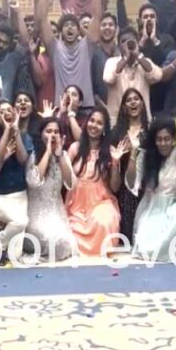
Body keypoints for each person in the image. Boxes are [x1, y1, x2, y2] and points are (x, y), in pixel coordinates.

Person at [126, 117, 176, 264]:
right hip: (151, 208)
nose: (163, 143)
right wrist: (133, 152)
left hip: (174, 204)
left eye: (167, 139)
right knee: (146, 249)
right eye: (159, 139)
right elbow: (131, 182)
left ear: (174, 139)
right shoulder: (146, 155)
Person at [37, 0, 100, 112]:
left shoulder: (87, 46)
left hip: (86, 108)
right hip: (62, 108)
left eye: (73, 25)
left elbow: (97, 17)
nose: (70, 28)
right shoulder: (55, 47)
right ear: (60, 32)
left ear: (79, 30)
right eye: (66, 25)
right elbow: (42, 19)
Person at [65, 108, 121, 258]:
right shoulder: (74, 148)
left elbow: (115, 187)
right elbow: (65, 179)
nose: (94, 125)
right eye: (92, 121)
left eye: (99, 123)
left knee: (103, 222)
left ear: (104, 128)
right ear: (86, 123)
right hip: (76, 207)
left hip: (101, 203)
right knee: (69, 235)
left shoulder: (111, 151)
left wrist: (115, 163)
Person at [24, 118, 77, 262]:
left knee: (67, 243)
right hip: (36, 214)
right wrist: (47, 153)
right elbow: (34, 181)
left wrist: (59, 156)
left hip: (56, 212)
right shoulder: (33, 155)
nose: (52, 135)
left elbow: (71, 184)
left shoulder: (63, 155)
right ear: (41, 134)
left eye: (56, 132)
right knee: (53, 242)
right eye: (48, 131)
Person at [0, 100, 33, 262]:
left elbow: (22, 159)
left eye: (9, 110)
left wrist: (15, 130)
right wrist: (7, 131)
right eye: (1, 111)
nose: (6, 113)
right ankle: (0, 241)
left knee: (16, 255)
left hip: (20, 195)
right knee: (21, 222)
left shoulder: (24, 136)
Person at [110, 89, 149, 242]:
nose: (133, 102)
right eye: (129, 100)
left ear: (142, 104)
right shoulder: (117, 133)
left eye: (136, 99)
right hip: (124, 189)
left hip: (147, 188)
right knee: (127, 238)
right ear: (124, 107)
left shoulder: (150, 130)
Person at [103, 25, 163, 125]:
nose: (127, 44)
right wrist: (125, 58)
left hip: (142, 122)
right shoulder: (111, 62)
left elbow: (158, 76)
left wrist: (138, 55)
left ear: (137, 42)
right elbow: (108, 79)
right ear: (118, 45)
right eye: (123, 41)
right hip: (117, 123)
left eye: (131, 41)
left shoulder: (145, 62)